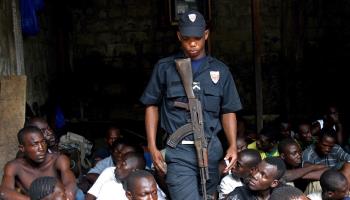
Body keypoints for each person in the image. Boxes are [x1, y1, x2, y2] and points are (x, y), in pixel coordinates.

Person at [139, 9, 242, 200]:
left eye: (197, 38)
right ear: (179, 36)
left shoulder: (220, 70)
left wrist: (233, 145)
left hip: (211, 149)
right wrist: (152, 146)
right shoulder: (165, 68)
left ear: (206, 35)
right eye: (186, 39)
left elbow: (228, 111)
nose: (192, 44)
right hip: (179, 151)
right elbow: (151, 105)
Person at [0, 126, 77, 200]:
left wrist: (68, 195)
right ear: (22, 148)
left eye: (43, 142)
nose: (41, 148)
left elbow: (70, 183)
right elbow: (4, 192)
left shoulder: (58, 159)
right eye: (35, 144)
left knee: (79, 195)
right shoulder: (14, 166)